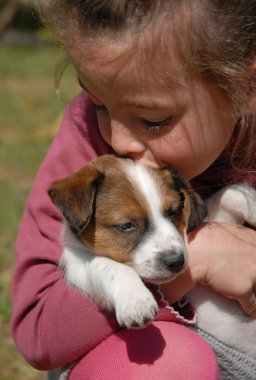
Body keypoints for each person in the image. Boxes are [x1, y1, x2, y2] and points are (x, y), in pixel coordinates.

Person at [11, 1, 256, 379]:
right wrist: (199, 260)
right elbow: (39, 332)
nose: (120, 141)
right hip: (150, 355)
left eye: (153, 120)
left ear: (246, 84)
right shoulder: (88, 146)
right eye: (100, 106)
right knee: (161, 362)